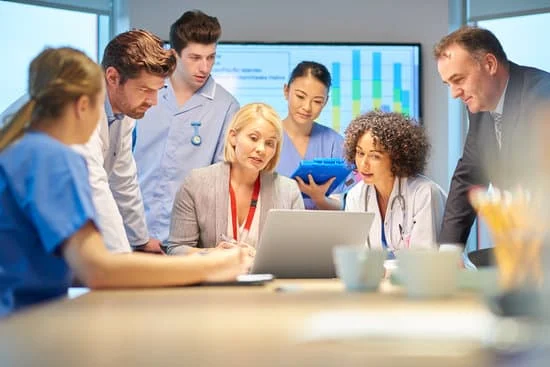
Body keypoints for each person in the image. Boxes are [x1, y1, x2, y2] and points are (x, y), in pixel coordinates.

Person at [0, 48, 248, 317]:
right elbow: (98, 269)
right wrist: (210, 266)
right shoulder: (53, 158)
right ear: (84, 106)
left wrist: (139, 246)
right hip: (20, 325)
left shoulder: (21, 150)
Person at [0, 29, 176, 254]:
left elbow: (123, 180)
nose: (153, 101)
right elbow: (97, 189)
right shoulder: (74, 121)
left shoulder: (123, 112)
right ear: (112, 77)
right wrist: (122, 259)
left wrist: (139, 240)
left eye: (157, 91)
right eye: (144, 89)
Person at [434, 26, 550, 248]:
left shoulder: (542, 96)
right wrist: (449, 250)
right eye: (448, 84)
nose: (454, 93)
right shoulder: (480, 108)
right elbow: (469, 174)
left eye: (458, 79)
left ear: (489, 64)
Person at [133, 10, 239, 244]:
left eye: (211, 57)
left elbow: (222, 180)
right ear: (174, 54)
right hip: (133, 230)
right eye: (195, 58)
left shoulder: (226, 107)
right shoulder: (146, 93)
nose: (205, 67)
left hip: (188, 239)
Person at [165, 103, 304, 255]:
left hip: (266, 279)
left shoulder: (288, 192)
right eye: (253, 138)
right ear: (233, 137)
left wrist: (256, 256)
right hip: (212, 277)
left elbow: (297, 254)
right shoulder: (196, 183)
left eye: (269, 143)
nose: (261, 149)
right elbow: (176, 249)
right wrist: (213, 254)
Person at [343, 110, 447, 254]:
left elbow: (424, 260)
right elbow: (355, 255)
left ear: (396, 156)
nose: (363, 164)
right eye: (360, 153)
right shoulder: (355, 196)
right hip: (381, 276)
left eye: (375, 156)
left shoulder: (424, 194)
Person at [277, 61, 354, 210]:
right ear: (286, 91)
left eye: (317, 101)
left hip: (322, 230)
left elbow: (338, 204)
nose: (307, 107)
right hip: (274, 228)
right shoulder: (267, 138)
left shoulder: (334, 143)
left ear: (325, 102)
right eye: (300, 96)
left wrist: (319, 198)